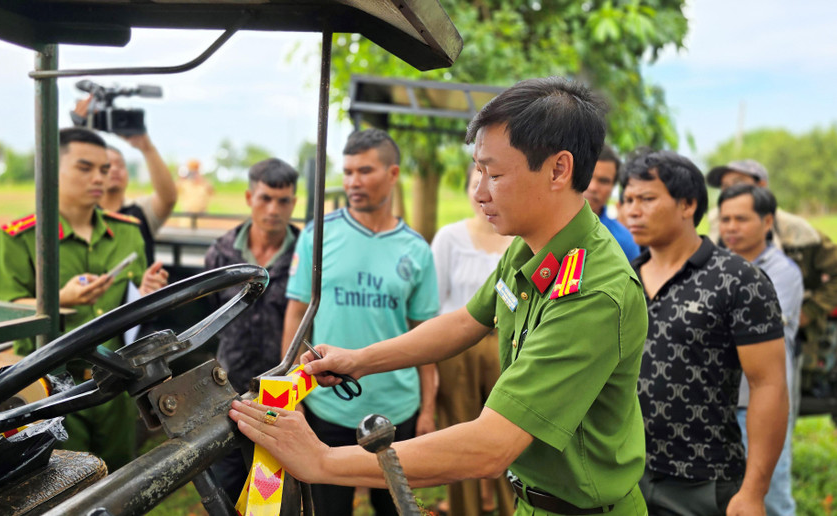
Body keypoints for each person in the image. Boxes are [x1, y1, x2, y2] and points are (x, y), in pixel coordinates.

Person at [233, 77, 650, 515]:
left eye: (496, 173)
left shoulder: (592, 293)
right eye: (479, 171)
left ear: (558, 170)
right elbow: (467, 322)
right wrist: (360, 360)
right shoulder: (533, 248)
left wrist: (323, 461)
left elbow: (492, 445)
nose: (479, 191)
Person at [0, 127, 169, 471]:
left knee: (120, 480)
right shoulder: (16, 239)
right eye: (85, 168)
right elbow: (3, 318)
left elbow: (131, 310)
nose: (100, 177)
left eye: (103, 169)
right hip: (50, 391)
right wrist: (56, 300)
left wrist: (145, 290)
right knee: (60, 485)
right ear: (52, 169)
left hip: (114, 383)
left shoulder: (127, 232)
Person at [280, 128, 439, 516]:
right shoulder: (318, 236)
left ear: (393, 173)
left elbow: (427, 338)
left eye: (364, 171)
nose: (352, 182)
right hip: (326, 407)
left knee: (397, 508)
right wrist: (291, 397)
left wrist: (429, 409)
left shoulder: (416, 250)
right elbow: (296, 317)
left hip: (397, 410)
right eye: (347, 171)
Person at [620, 149, 788, 515]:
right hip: (624, 473)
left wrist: (754, 491)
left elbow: (769, 385)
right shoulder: (622, 279)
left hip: (703, 480)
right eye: (628, 199)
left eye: (647, 199)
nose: (632, 210)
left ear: (688, 204)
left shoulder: (738, 279)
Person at [204, 158, 300, 501]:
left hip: (286, 392)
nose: (273, 209)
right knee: (225, 487)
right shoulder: (221, 253)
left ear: (294, 202)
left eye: (283, 200)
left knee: (277, 494)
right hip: (227, 391)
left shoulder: (307, 255)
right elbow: (212, 314)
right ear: (249, 198)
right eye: (265, 198)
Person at [706, 159, 837, 391]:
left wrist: (810, 310)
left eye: (737, 183)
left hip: (786, 334)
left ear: (762, 186)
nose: (729, 191)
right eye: (724, 186)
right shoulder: (718, 227)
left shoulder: (797, 232)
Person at [430, 162, 514, 516]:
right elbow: (435, 301)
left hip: (507, 348)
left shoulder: (519, 239)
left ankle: (514, 508)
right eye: (473, 182)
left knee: (509, 439)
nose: (481, 193)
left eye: (491, 182)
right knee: (461, 437)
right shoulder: (450, 238)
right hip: (457, 349)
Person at [718, 184, 803, 516]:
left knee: (770, 497)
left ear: (768, 222)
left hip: (760, 405)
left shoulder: (782, 272)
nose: (731, 227)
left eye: (741, 218)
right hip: (720, 404)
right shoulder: (716, 265)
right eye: (725, 219)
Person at [74, 96, 178, 263]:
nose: (115, 169)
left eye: (120, 165)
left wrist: (146, 147)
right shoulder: (82, 212)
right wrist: (79, 133)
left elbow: (168, 198)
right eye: (107, 166)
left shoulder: (140, 210)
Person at [584, 144, 640, 260]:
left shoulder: (624, 242)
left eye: (603, 181)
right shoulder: (544, 224)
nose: (593, 187)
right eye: (588, 176)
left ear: (612, 187)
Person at [177, 159, 215, 225]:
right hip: (187, 217)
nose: (193, 173)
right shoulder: (184, 183)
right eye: (192, 170)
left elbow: (212, 192)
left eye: (196, 170)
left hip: (202, 217)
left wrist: (201, 179)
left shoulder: (204, 183)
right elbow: (172, 191)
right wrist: (182, 177)